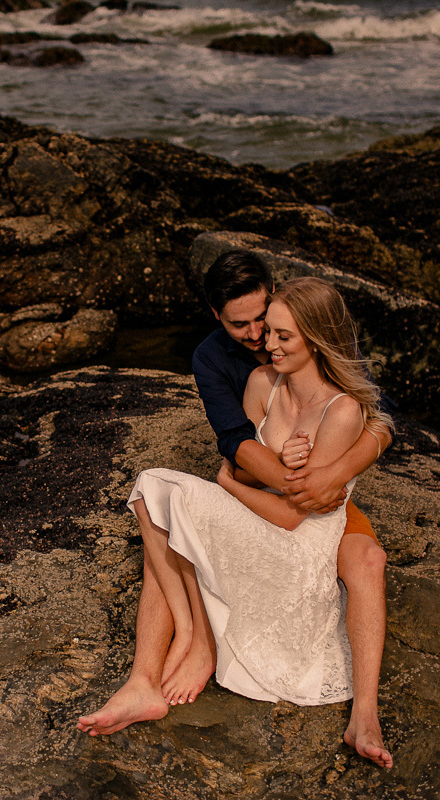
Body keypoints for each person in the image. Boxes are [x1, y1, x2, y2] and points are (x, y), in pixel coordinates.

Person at [78, 274, 395, 770]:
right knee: (161, 507)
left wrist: (231, 487)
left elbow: (291, 515)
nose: (264, 344)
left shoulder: (343, 411)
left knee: (162, 493)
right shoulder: (261, 381)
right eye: (266, 332)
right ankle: (150, 676)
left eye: (280, 335)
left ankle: (192, 643)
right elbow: (244, 459)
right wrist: (273, 458)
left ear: (315, 338)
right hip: (261, 519)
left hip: (297, 551)